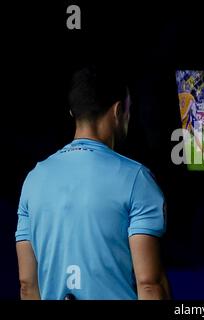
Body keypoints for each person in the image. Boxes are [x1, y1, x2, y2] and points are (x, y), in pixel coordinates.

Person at [15, 65, 170, 300]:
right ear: (118, 111)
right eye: (129, 110)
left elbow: (27, 285)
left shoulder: (33, 179)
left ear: (72, 113)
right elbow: (149, 284)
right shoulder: (137, 179)